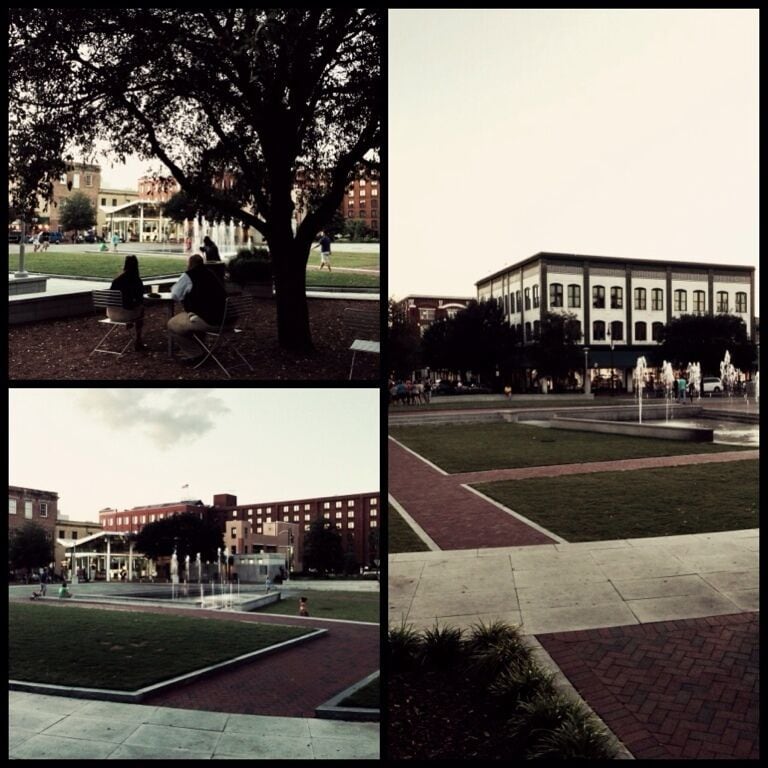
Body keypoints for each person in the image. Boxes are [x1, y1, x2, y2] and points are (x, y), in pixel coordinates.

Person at [167, 253, 227, 364]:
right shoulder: (211, 274)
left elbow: (175, 295)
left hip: (211, 321)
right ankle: (200, 349)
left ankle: (195, 354)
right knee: (194, 318)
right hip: (227, 320)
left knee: (172, 324)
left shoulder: (189, 275)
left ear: (190, 264)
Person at [108, 254, 148, 351]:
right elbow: (140, 298)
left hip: (111, 313)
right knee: (141, 309)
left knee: (131, 306)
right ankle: (138, 340)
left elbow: (111, 297)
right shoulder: (136, 280)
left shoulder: (117, 280)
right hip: (126, 314)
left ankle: (129, 324)